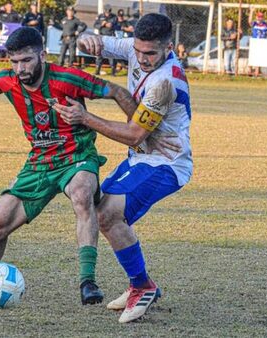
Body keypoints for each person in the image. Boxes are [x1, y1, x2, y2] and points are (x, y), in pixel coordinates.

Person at [0, 27, 139, 309]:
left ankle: (87, 281)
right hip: (40, 161)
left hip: (77, 154)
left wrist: (140, 130)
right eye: (14, 62)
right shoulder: (8, 80)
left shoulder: (67, 79)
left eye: (27, 60)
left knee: (81, 194)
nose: (20, 68)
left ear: (42, 55)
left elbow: (116, 90)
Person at [72, 13, 192, 323]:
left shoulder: (166, 81)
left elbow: (135, 134)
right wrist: (87, 36)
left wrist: (85, 118)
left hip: (166, 163)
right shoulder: (136, 48)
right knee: (103, 213)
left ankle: (143, 286)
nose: (142, 58)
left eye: (150, 53)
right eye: (138, 51)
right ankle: (139, 282)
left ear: (169, 47)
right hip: (141, 158)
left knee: (109, 216)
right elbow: (101, 44)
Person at [93, 4, 117, 76]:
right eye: (107, 11)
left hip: (110, 38)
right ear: (104, 10)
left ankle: (113, 72)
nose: (108, 12)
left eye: (109, 11)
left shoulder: (114, 17)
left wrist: (108, 24)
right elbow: (95, 25)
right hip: (102, 38)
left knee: (111, 55)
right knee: (99, 54)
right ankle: (97, 71)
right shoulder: (100, 16)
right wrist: (102, 24)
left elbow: (114, 25)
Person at [248, 7, 267, 77]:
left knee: (258, 58)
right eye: (259, 17)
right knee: (251, 57)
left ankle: (256, 73)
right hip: (255, 43)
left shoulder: (265, 24)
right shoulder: (254, 23)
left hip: (261, 43)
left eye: (261, 17)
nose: (260, 18)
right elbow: (249, 22)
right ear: (256, 17)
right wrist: (251, 12)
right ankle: (249, 72)